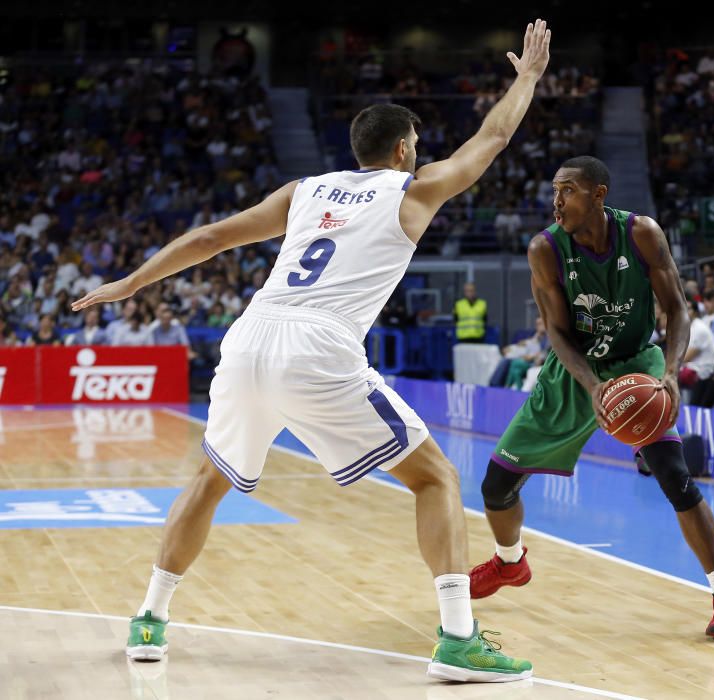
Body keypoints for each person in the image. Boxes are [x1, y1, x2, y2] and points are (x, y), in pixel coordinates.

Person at [72, 19, 553, 682]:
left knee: (211, 479)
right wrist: (526, 78)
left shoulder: (305, 191)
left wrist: (130, 282)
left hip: (250, 338)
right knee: (435, 478)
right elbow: (493, 138)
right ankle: (458, 639)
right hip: (319, 346)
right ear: (404, 150)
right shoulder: (413, 190)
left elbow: (211, 237)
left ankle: (150, 619)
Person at [468, 156, 714, 642]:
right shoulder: (545, 249)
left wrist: (674, 372)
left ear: (599, 194)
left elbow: (677, 309)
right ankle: (510, 562)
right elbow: (556, 331)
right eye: (554, 190)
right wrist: (593, 385)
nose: (557, 201)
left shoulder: (641, 234)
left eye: (568, 190)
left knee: (676, 477)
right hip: (575, 372)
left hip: (638, 365)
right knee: (495, 488)